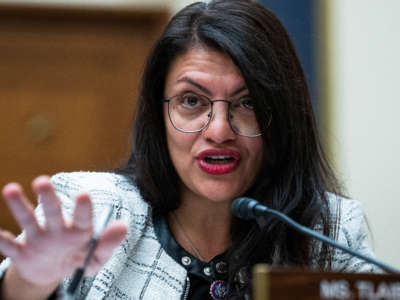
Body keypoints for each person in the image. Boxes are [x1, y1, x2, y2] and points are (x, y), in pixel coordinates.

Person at [0, 0, 378, 299]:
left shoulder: (330, 233)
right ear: (157, 114)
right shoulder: (97, 212)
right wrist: (29, 284)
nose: (218, 131)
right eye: (192, 101)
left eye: (247, 103)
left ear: (281, 117)